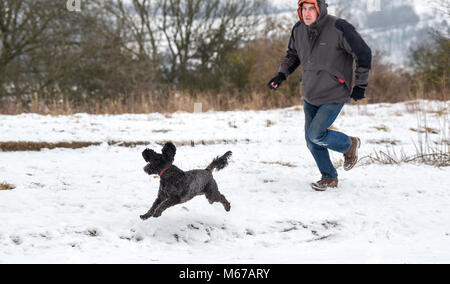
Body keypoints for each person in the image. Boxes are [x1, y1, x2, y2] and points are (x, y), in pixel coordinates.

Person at [268, 0, 372, 191]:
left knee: (316, 134)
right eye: (303, 9)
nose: (306, 14)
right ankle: (329, 177)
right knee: (311, 140)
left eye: (311, 9)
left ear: (320, 9)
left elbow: (364, 54)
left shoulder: (339, 27)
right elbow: (292, 55)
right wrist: (281, 75)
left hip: (335, 93)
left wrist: (360, 85)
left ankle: (349, 145)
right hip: (310, 93)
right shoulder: (298, 29)